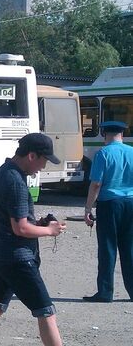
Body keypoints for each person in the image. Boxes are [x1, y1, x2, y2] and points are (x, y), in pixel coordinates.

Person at [0, 133, 66, 346]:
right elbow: (20, 228)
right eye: (44, 160)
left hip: (2, 255)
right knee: (46, 311)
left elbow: (15, 220)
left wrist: (38, 223)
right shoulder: (15, 181)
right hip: (17, 259)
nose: (43, 167)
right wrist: (50, 231)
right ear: (32, 156)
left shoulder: (6, 172)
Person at [83, 121, 133, 303]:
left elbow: (96, 184)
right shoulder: (132, 152)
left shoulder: (103, 154)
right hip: (131, 202)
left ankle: (105, 292)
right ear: (122, 134)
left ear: (104, 133)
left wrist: (88, 208)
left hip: (109, 204)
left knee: (107, 248)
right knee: (130, 249)